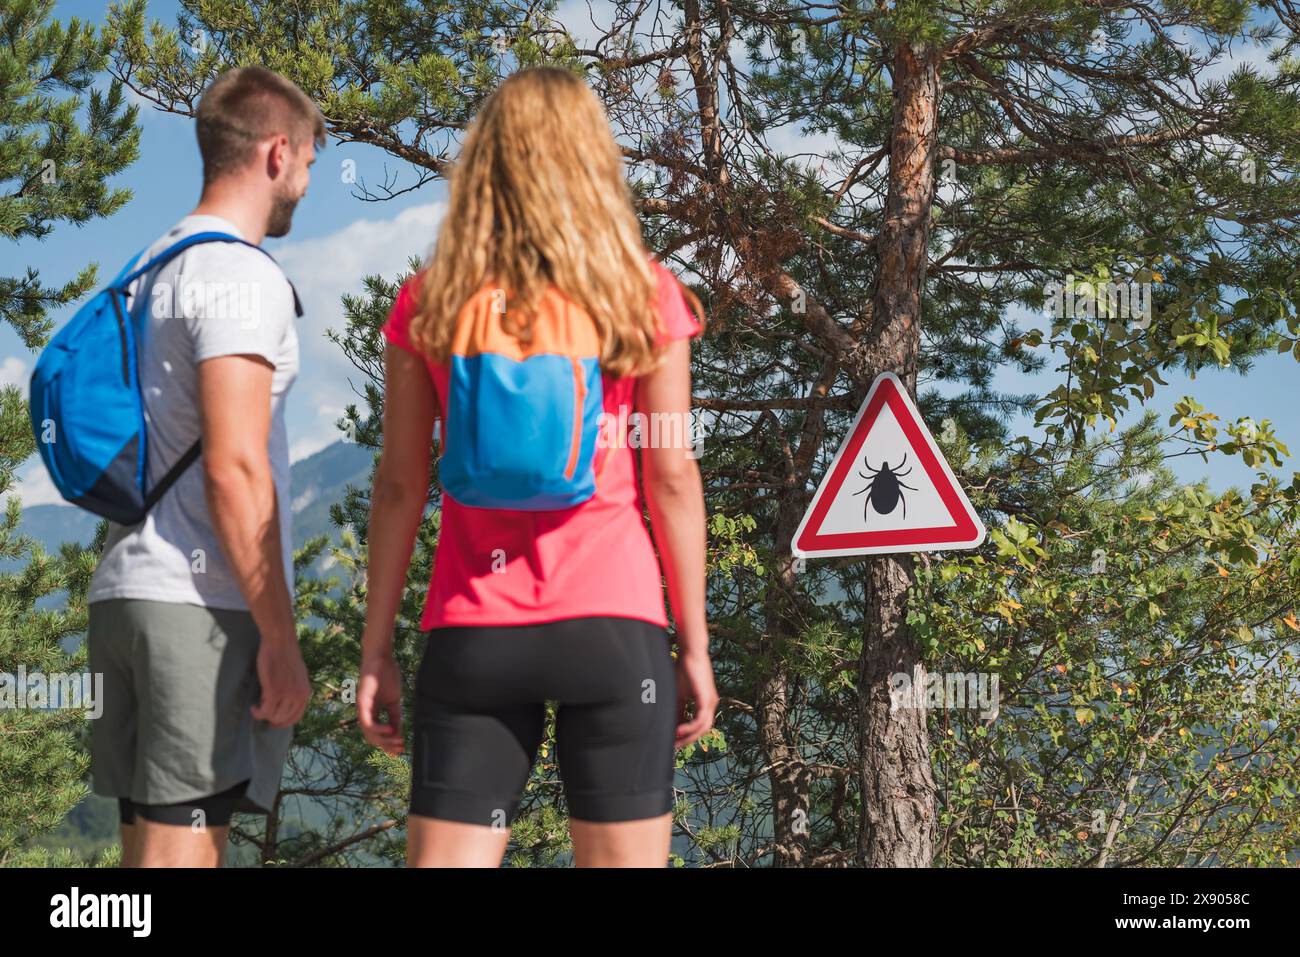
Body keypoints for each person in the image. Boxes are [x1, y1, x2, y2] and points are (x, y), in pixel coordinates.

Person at [357, 66, 717, 868]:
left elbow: (400, 485)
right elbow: (671, 478)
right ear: (594, 165)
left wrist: (375, 646)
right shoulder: (642, 295)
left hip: (473, 627)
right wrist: (693, 642)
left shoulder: (433, 301)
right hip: (615, 625)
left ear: (486, 165)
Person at [85, 66, 324, 867]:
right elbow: (233, 465)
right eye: (311, 162)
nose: (308, 181)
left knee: (140, 868)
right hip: (197, 606)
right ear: (276, 152)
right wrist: (281, 636)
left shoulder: (149, 266)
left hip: (123, 592)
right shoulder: (238, 276)